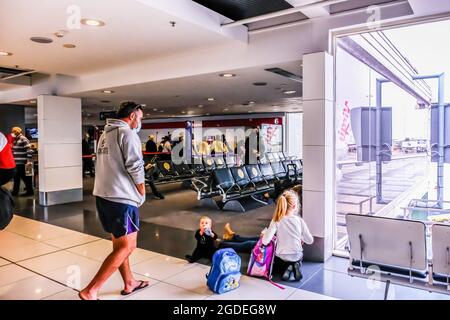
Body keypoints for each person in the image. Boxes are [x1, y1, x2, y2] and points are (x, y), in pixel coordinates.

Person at [79, 101, 149, 300]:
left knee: (119, 244)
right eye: (141, 118)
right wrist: (141, 191)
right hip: (122, 199)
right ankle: (90, 290)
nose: (140, 122)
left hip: (105, 196)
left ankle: (129, 282)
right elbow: (136, 166)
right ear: (133, 116)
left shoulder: (105, 134)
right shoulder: (128, 134)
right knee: (128, 246)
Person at [260, 189, 313, 281]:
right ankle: (295, 265)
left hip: (281, 257)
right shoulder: (300, 221)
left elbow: (265, 241)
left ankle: (286, 268)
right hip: (296, 255)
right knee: (297, 256)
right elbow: (310, 240)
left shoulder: (277, 220)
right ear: (295, 206)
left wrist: (264, 234)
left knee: (277, 261)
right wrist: (301, 237)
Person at [11, 127, 34, 196]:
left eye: (13, 132)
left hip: (22, 163)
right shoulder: (16, 140)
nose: (12, 133)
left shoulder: (23, 139)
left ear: (16, 132)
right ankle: (15, 192)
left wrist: (28, 160)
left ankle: (30, 192)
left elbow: (29, 150)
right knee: (16, 178)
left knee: (26, 178)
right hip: (16, 163)